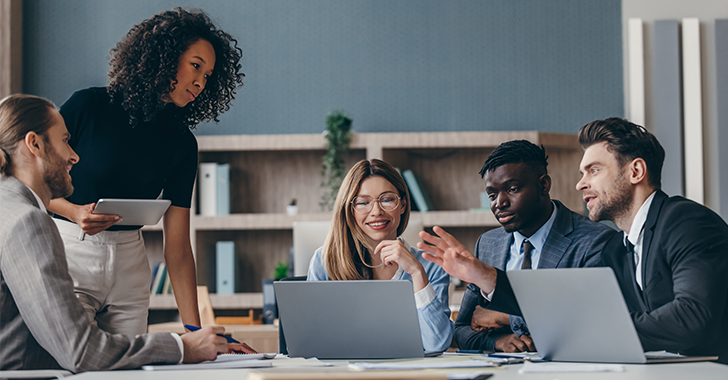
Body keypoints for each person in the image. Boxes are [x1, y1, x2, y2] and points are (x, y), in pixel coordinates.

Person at [419, 118, 728, 364]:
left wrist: (591, 327)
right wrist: (484, 277)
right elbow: (565, 308)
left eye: (593, 170)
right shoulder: (622, 246)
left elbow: (692, 316)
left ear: (635, 171)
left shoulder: (685, 221)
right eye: (582, 172)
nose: (581, 183)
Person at [0, 94, 240, 371]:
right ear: (34, 144)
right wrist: (183, 347)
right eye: (65, 141)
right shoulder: (28, 222)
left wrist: (194, 336)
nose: (75, 156)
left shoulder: (10, 209)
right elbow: (81, 352)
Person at [47, 8, 244, 335]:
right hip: (72, 252)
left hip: (131, 265)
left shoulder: (183, 144)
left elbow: (178, 248)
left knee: (130, 369)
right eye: (196, 66)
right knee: (78, 362)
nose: (200, 81)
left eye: (208, 75)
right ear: (165, 57)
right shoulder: (88, 107)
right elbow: (28, 180)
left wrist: (195, 330)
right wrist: (73, 212)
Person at [454, 140, 615, 353]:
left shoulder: (595, 241)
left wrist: (507, 317)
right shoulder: (488, 244)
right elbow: (462, 329)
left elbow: (590, 326)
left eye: (512, 189)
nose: (499, 203)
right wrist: (497, 342)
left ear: (544, 185)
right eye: (492, 195)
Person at [307, 159, 453, 353]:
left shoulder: (430, 265)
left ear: (402, 205)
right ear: (350, 210)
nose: (376, 211)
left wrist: (417, 273)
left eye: (387, 200)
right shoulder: (325, 260)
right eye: (363, 202)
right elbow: (312, 340)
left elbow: (437, 343)